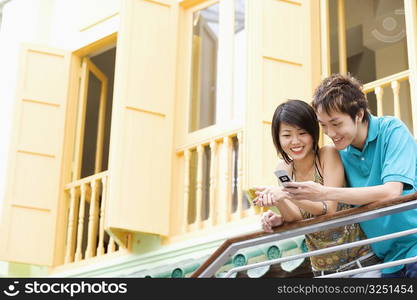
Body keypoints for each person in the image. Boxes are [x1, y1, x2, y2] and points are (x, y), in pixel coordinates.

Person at [282, 74, 417, 278]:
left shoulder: (392, 130)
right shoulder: (338, 154)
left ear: (359, 114)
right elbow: (329, 208)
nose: (330, 132)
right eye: (324, 125)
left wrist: (325, 192)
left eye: (336, 123)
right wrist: (280, 213)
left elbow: (392, 192)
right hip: (388, 261)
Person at [254, 99, 380, 277]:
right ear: (277, 137)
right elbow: (297, 217)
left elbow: (328, 209)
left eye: (302, 133)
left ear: (313, 133)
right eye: (287, 135)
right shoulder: (283, 168)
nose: (295, 141)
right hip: (322, 271)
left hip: (360, 263)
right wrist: (279, 205)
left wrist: (287, 194)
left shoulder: (327, 155)